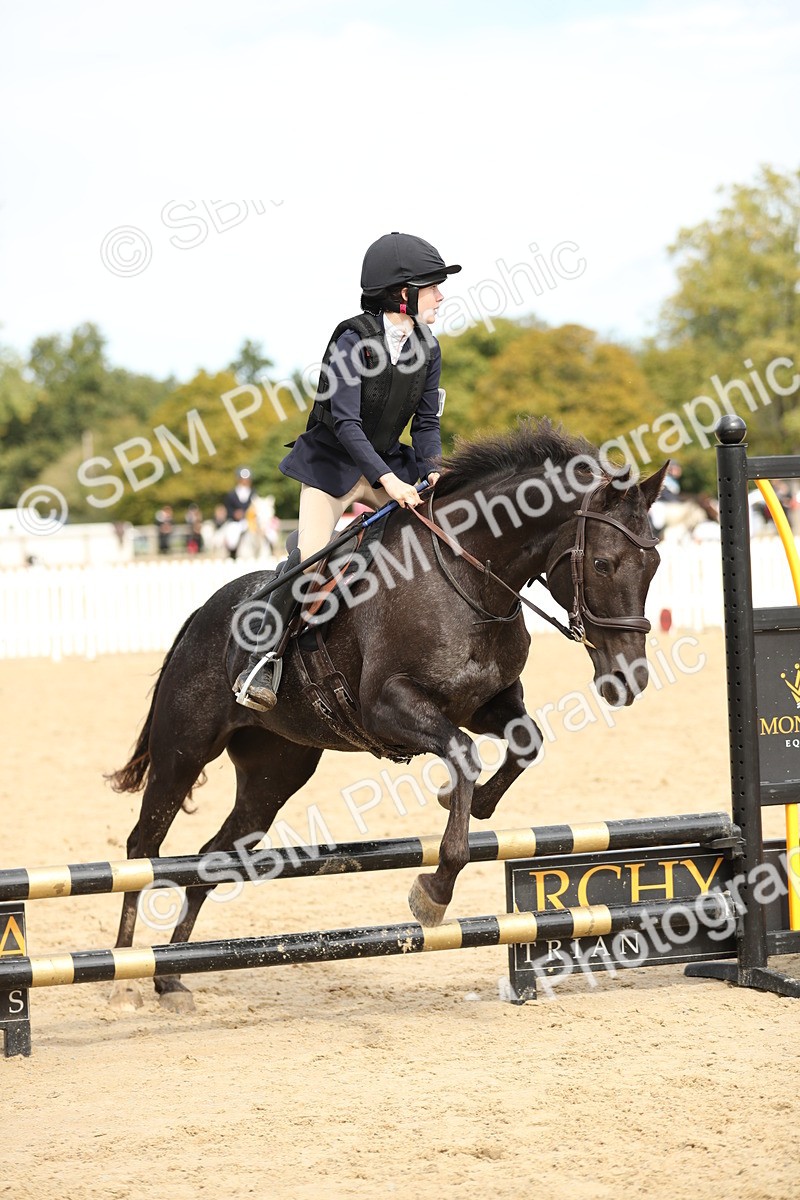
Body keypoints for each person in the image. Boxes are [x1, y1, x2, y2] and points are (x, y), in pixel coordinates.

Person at [234, 231, 460, 710]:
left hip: (388, 464)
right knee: (313, 557)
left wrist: (433, 468)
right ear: (403, 294)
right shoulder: (351, 339)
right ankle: (263, 659)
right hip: (333, 465)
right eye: (432, 287)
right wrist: (389, 480)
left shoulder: (429, 348)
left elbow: (426, 422)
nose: (441, 296)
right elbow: (346, 422)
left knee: (437, 534)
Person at [222, 468, 256, 560]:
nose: (245, 482)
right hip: (235, 522)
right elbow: (227, 509)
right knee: (233, 538)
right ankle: (232, 554)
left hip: (250, 521)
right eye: (243, 479)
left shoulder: (254, 493)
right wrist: (234, 514)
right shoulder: (231, 494)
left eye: (247, 479)